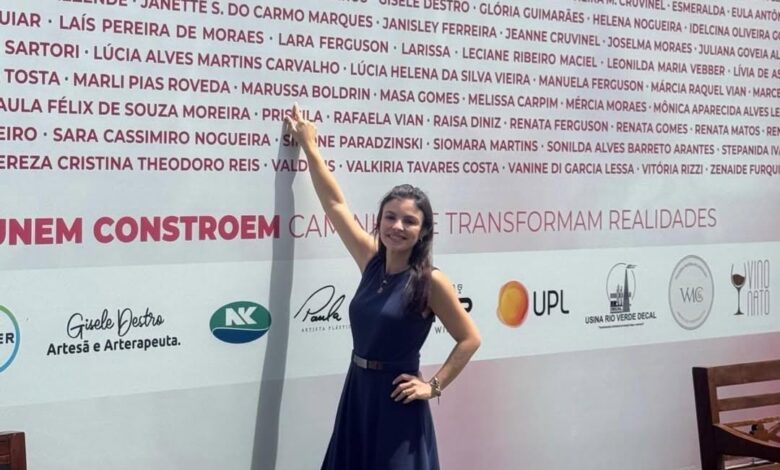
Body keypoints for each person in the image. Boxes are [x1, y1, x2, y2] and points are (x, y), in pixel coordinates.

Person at [284, 103, 481, 470]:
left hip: (397, 402)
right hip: (358, 391)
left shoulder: (430, 281)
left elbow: (469, 338)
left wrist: (433, 386)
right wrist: (309, 145)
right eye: (390, 217)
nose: (397, 227)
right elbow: (335, 204)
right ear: (379, 221)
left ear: (423, 231)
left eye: (409, 221)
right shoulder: (371, 260)